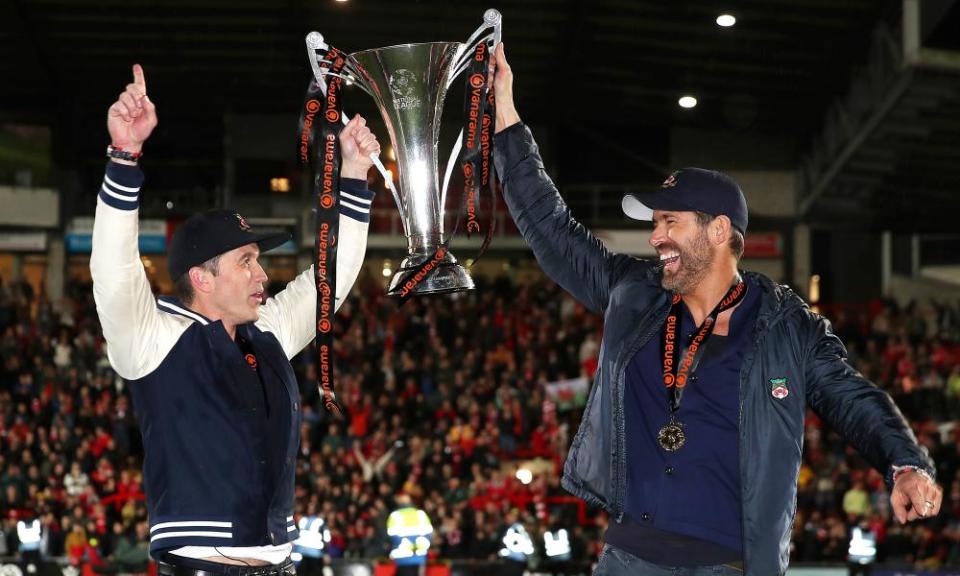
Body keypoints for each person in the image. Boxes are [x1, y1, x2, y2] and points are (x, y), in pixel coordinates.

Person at [487, 45, 943, 576]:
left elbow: (855, 401)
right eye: (654, 223)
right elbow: (551, 227)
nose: (655, 237)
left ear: (719, 230)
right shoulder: (633, 294)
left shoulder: (787, 325)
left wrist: (905, 464)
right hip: (630, 558)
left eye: (670, 221)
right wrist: (505, 114)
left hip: (730, 565)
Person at [90, 65, 379, 575]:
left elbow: (330, 281)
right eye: (246, 260)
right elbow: (113, 269)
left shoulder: (266, 333)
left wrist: (353, 174)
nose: (261, 274)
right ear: (201, 277)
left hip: (284, 564)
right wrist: (124, 157)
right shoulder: (151, 337)